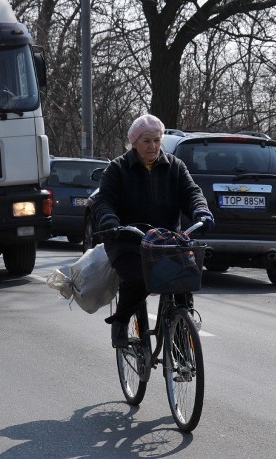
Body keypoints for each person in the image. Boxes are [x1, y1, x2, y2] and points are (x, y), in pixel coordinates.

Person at [92, 114, 214, 348]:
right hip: (127, 240)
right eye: (147, 141)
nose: (153, 146)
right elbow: (103, 200)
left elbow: (191, 192)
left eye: (157, 140)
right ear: (134, 143)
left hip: (165, 242)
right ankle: (120, 321)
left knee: (183, 282)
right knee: (139, 279)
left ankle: (181, 344)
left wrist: (201, 210)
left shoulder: (175, 167)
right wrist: (108, 219)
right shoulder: (118, 169)